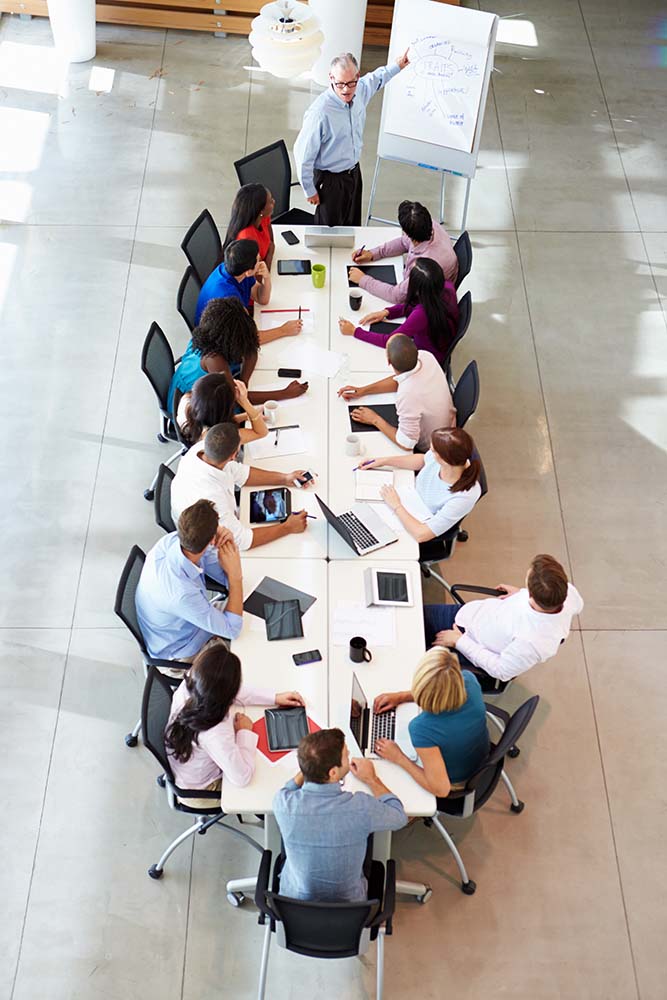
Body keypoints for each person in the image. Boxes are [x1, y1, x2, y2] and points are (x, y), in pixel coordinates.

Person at [273, 728, 407, 901]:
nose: (349, 754)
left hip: (294, 902)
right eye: (345, 755)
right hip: (351, 905)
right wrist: (371, 779)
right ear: (333, 773)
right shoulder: (360, 807)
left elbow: (287, 789)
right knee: (367, 830)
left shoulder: (283, 803)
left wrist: (309, 767)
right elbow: (399, 816)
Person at [165, 643, 304, 795]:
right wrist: (244, 732)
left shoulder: (192, 682)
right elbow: (242, 777)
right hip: (201, 787)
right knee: (266, 786)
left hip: (186, 761)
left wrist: (274, 697)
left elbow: (223, 689)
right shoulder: (215, 732)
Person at [424, 554, 585, 684]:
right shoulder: (568, 593)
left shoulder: (531, 643)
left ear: (532, 595)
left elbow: (501, 671)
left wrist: (459, 642)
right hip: (469, 615)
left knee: (408, 642)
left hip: (466, 640)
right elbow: (575, 606)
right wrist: (519, 593)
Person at [294, 50, 409, 227]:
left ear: (357, 76)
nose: (346, 89)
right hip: (330, 180)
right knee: (329, 233)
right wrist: (309, 190)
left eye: (351, 83)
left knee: (352, 225)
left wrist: (398, 65)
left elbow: (377, 78)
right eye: (340, 84)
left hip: (353, 173)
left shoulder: (360, 89)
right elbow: (303, 155)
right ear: (331, 78)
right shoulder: (320, 113)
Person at [170, 422, 310, 551]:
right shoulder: (211, 500)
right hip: (210, 548)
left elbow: (241, 474)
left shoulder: (205, 449)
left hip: (216, 521)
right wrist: (288, 527)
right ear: (234, 455)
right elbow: (242, 541)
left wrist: (285, 479)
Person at [135, 499, 243, 661]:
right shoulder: (181, 594)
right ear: (211, 540)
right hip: (182, 650)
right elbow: (233, 629)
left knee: (247, 606)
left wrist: (224, 545)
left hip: (187, 621)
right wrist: (236, 578)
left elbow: (222, 574)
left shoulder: (174, 541)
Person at [373, 647, 490, 797]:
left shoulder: (421, 728)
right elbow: (445, 689)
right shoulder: (469, 680)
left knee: (393, 776)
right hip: (480, 754)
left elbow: (441, 790)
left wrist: (399, 757)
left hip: (457, 780)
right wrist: (401, 697)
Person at [168, 296, 307, 411]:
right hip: (191, 408)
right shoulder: (215, 361)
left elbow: (251, 350)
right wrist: (284, 393)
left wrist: (243, 382)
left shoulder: (212, 332)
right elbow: (236, 398)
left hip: (213, 390)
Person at [361, 428, 482, 543]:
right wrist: (384, 461)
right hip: (408, 496)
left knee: (368, 531)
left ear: (445, 461)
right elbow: (423, 460)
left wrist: (396, 505)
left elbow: (421, 534)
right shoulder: (449, 460)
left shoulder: (465, 496)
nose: (430, 451)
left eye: (433, 450)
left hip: (416, 521)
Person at [338, 333, 455, 451]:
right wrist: (363, 390)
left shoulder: (408, 394)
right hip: (448, 425)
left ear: (389, 361)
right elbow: (400, 379)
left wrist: (374, 419)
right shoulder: (426, 357)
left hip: (434, 447)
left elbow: (407, 443)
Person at [339, 258, 459, 366]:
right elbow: (414, 305)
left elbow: (390, 341)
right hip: (438, 345)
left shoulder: (422, 314)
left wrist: (355, 332)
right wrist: (387, 312)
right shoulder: (447, 286)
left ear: (417, 288)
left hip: (425, 360)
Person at [195, 239, 302, 344]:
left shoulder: (236, 268)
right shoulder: (227, 298)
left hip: (231, 328)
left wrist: (267, 277)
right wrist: (283, 330)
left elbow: (261, 299)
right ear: (248, 272)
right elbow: (250, 338)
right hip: (217, 341)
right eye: (258, 258)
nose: (260, 258)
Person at [348, 199, 458, 301]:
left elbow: (395, 296)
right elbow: (403, 242)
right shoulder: (429, 225)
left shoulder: (425, 266)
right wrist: (373, 253)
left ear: (408, 233)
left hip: (425, 299)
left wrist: (363, 280)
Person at [177, 373, 269, 447]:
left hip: (194, 436)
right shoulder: (218, 438)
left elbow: (215, 418)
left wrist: (246, 416)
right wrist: (245, 402)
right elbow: (261, 432)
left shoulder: (188, 399)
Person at [222, 183, 275, 270]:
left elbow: (271, 243)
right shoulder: (246, 237)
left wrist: (267, 261)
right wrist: (268, 261)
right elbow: (256, 273)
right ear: (260, 210)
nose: (274, 201)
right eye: (270, 201)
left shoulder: (263, 217)